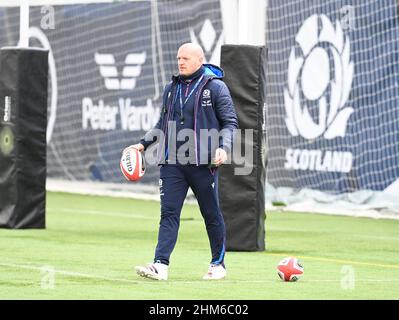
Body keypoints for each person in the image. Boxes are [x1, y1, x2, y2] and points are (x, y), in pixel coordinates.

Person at [133, 42, 238, 280]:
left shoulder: (216, 88)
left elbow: (230, 122)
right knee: (168, 213)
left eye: (186, 58)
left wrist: (223, 147)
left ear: (200, 60)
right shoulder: (171, 88)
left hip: (203, 164)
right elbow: (162, 124)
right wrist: (142, 144)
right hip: (172, 163)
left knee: (211, 214)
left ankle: (218, 264)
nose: (180, 62)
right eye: (179, 58)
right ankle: (160, 265)